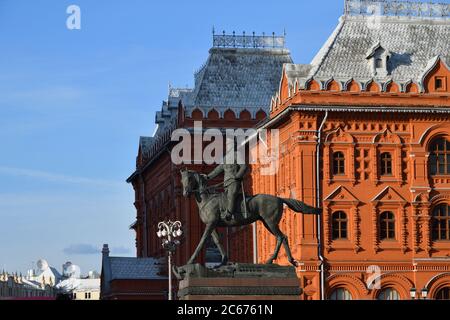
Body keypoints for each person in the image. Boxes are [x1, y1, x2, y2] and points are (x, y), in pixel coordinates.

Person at [204, 155, 249, 221]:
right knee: (224, 198)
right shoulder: (225, 158)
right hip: (226, 183)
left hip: (234, 181)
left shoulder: (237, 155)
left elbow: (244, 166)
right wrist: (208, 177)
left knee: (231, 195)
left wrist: (238, 175)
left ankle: (229, 214)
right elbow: (217, 170)